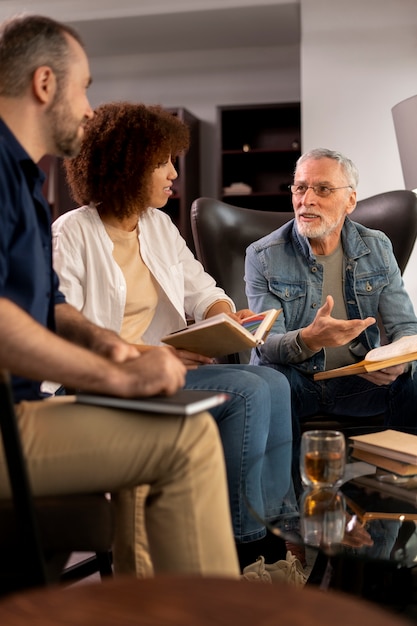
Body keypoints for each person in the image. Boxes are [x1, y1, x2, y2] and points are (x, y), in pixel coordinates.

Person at [0, 13, 241, 578]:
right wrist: (113, 377)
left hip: (23, 409)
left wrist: (116, 350)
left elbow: (51, 308)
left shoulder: (25, 183)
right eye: (83, 86)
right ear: (44, 84)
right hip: (11, 418)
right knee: (185, 439)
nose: (88, 107)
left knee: (171, 423)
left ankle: (157, 602)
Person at [51, 101, 295, 572]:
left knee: (276, 382)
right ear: (127, 166)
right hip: (107, 380)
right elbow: (66, 329)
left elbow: (202, 289)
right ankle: (244, 551)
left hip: (166, 368)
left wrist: (226, 314)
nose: (173, 175)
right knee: (246, 390)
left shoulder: (158, 225)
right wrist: (155, 352)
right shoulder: (72, 233)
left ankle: (275, 533)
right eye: (162, 162)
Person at [245, 147, 417, 466]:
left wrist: (398, 362)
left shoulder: (377, 246)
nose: (306, 199)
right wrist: (310, 339)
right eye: (300, 187)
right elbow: (265, 344)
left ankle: (395, 493)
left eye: (323, 189)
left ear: (350, 200)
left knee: (413, 377)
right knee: (273, 379)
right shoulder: (262, 255)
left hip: (357, 384)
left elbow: (406, 328)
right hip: (295, 384)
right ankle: (287, 506)